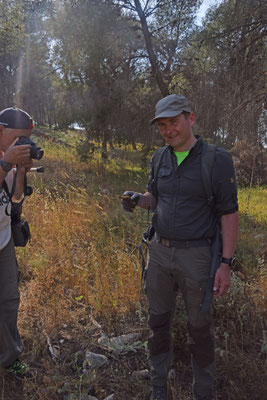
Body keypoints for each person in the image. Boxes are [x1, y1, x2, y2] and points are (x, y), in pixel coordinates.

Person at [121, 94, 239, 400]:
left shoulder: (216, 159)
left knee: (199, 328)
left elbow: (229, 213)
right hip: (160, 253)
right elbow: (156, 197)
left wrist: (225, 263)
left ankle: (204, 391)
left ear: (191, 118)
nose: (168, 130)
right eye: (162, 125)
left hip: (197, 257)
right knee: (158, 323)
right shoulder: (160, 158)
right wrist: (139, 199)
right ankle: (159, 385)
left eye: (173, 122)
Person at [0, 107, 34, 379]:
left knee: (9, 301)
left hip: (3, 241)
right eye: (19, 138)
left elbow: (16, 195)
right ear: (1, 131)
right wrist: (5, 163)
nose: (24, 144)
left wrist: (20, 170)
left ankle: (10, 358)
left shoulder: (9, 158)